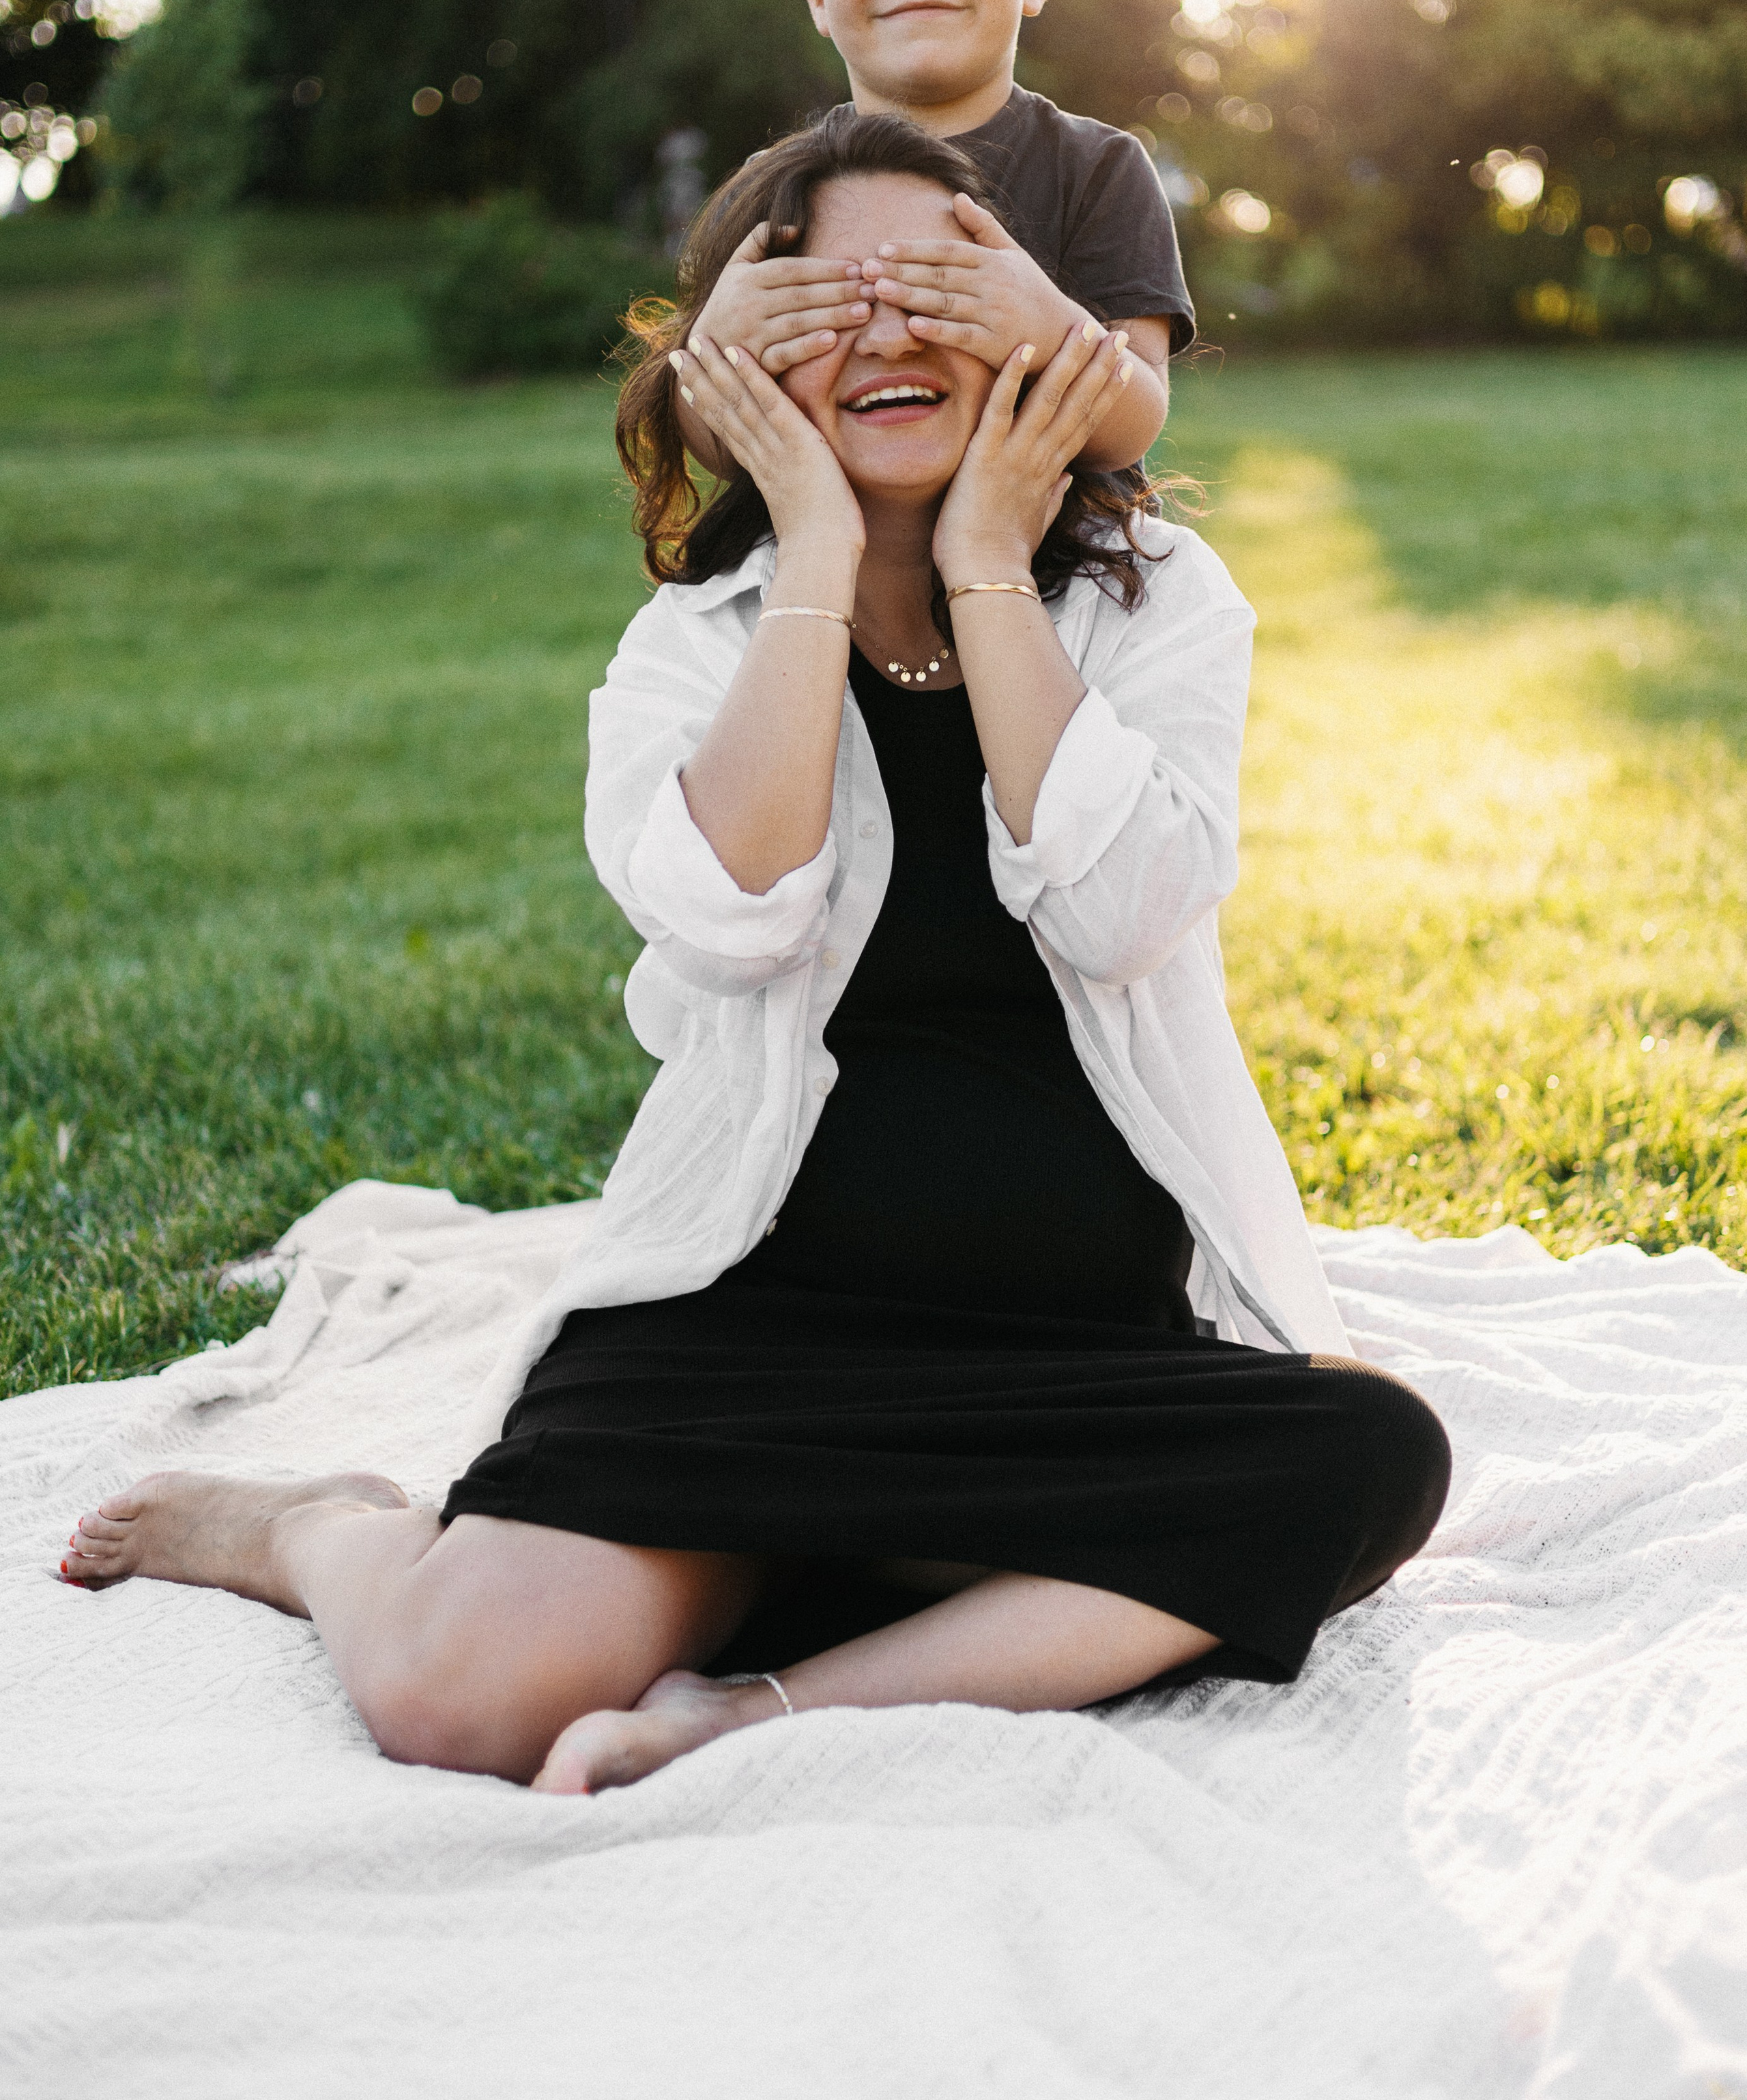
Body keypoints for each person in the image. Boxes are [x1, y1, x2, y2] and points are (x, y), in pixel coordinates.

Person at [61, 111, 1451, 1798]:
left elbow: (1122, 907)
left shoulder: (1157, 603)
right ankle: (328, 1536)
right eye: (816, 307)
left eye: (938, 284)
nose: (882, 335)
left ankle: (757, 1703)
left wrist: (991, 574)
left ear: (1025, 322)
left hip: (1067, 1359)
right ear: (733, 374)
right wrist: (805, 557)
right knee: (458, 1701)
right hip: (743, 1330)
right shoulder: (684, 652)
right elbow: (736, 910)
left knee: (1367, 1454)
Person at [678, 0, 1189, 485]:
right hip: (846, 586)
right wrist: (717, 358)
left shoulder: (1097, 169)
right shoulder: (770, 193)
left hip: (1064, 587)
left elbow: (1133, 423)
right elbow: (718, 453)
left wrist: (1048, 330)